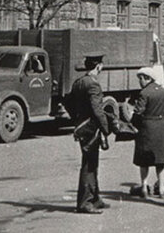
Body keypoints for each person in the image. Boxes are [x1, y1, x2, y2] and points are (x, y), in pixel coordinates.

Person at [70, 54, 115, 214]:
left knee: (92, 163)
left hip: (82, 126)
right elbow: (98, 110)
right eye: (101, 65)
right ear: (98, 66)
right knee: (89, 165)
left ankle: (95, 198)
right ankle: (85, 202)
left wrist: (76, 119)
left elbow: (69, 103)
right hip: (91, 128)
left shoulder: (79, 82)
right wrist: (105, 128)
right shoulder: (93, 85)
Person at [130, 67, 164, 199]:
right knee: (160, 159)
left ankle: (144, 186)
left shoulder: (144, 93)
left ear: (148, 78)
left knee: (144, 160)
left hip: (146, 128)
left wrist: (133, 123)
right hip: (161, 127)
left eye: (141, 78)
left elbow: (138, 112)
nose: (140, 81)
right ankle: (162, 188)